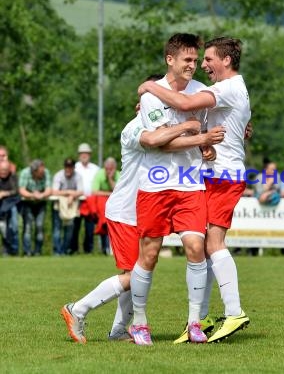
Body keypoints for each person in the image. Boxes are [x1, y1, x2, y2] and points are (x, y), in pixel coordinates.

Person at [60, 101, 224, 344]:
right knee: (133, 275)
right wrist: (192, 128)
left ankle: (118, 329)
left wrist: (207, 149)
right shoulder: (134, 128)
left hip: (145, 210)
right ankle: (78, 309)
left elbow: (187, 151)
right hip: (126, 212)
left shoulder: (170, 125)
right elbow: (158, 140)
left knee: (140, 270)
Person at [138, 36, 251, 344]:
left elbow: (186, 103)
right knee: (202, 246)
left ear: (225, 61)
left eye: (208, 59)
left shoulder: (227, 87)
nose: (202, 65)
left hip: (223, 176)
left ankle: (234, 312)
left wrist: (149, 87)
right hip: (210, 174)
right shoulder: (227, 90)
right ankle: (199, 319)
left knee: (213, 243)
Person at [18, 159, 52, 256]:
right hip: (27, 202)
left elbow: (49, 189)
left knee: (39, 226)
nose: (42, 174)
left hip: (41, 203)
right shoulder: (25, 173)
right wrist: (33, 195)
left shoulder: (46, 172)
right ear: (34, 171)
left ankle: (38, 251)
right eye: (40, 172)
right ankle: (27, 252)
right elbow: (22, 190)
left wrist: (41, 195)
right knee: (27, 227)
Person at [71, 143, 100, 254]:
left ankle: (88, 249)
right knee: (75, 226)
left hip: (91, 201)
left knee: (90, 227)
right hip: (77, 200)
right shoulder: (75, 167)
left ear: (90, 154)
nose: (84, 155)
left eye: (86, 153)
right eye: (82, 153)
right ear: (79, 155)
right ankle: (73, 249)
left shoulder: (96, 168)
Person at [51, 158, 84, 256]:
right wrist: (70, 193)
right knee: (57, 229)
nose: (68, 169)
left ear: (74, 167)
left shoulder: (78, 176)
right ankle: (57, 251)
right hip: (58, 206)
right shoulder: (58, 175)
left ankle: (64, 250)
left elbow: (81, 191)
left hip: (71, 207)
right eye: (66, 167)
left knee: (69, 229)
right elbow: (54, 191)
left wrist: (72, 196)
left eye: (70, 167)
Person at [90, 157, 121, 255]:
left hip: (117, 206)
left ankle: (115, 249)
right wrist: (109, 194)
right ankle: (105, 248)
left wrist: (110, 179)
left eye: (111, 169)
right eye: (107, 169)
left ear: (115, 168)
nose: (108, 171)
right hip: (102, 208)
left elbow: (118, 191)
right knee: (104, 224)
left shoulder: (119, 175)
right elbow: (94, 191)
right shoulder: (99, 173)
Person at [0, 160, 20, 256]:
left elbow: (16, 191)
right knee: (3, 229)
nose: (3, 172)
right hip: (1, 207)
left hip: (12, 205)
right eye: (2, 170)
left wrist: (5, 193)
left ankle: (14, 250)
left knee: (14, 227)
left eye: (5, 170)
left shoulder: (13, 177)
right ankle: (5, 250)